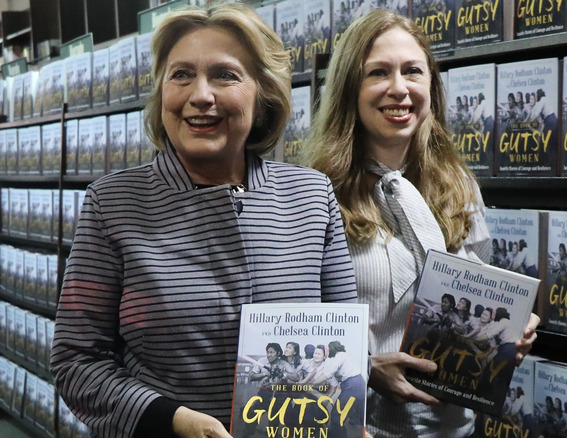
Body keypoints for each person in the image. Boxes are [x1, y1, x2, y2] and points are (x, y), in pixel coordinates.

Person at [49, 4, 357, 438]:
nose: (200, 95)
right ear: (161, 92)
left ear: (263, 92)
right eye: (181, 75)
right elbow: (77, 362)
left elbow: (346, 340)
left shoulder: (311, 195)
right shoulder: (112, 203)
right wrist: (170, 419)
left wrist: (349, 413)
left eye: (225, 75)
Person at [303, 9, 539, 437]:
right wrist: (366, 367)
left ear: (430, 85)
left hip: (455, 429)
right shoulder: (314, 193)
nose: (399, 89)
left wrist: (506, 334)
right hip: (362, 429)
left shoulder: (459, 185)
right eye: (378, 73)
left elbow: (476, 287)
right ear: (349, 90)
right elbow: (295, 335)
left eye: (413, 71)